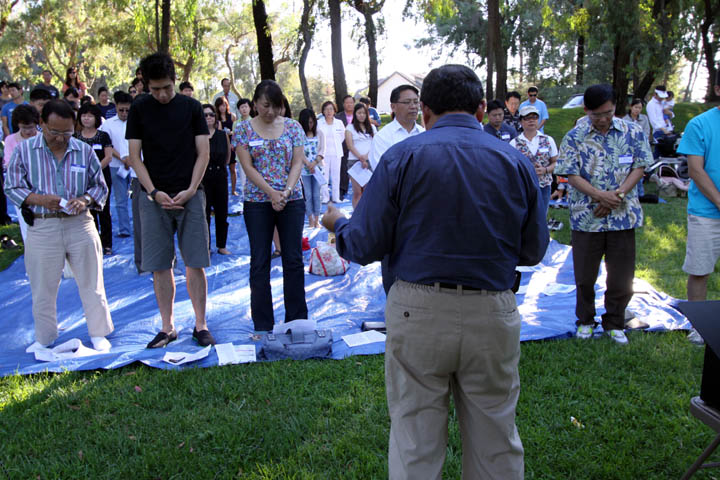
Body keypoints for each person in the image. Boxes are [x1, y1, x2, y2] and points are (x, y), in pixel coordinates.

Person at [322, 64, 548, 479]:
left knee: (415, 443)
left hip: (417, 310)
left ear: (424, 111)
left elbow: (365, 243)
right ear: (481, 109)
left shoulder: (402, 157)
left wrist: (339, 224)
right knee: (496, 441)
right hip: (491, 310)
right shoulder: (514, 161)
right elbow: (534, 250)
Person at [4, 99, 113, 352]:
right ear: (42, 124)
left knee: (92, 283)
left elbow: (99, 186)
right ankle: (45, 337)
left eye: (67, 133)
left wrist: (84, 200)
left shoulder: (83, 150)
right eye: (54, 132)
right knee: (42, 287)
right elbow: (12, 186)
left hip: (80, 224)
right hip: (43, 225)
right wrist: (38, 199)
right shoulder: (24, 151)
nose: (61, 138)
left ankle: (99, 333)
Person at [126, 52, 216, 348]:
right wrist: (153, 192)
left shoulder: (191, 107)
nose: (162, 94)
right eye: (155, 89)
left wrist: (191, 189)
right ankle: (167, 327)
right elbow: (135, 157)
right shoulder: (139, 108)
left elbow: (203, 153)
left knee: (195, 262)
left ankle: (200, 324)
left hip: (190, 195)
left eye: (166, 87)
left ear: (174, 80)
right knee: (160, 266)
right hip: (154, 198)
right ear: (145, 85)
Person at [555, 84, 652, 345]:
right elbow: (569, 173)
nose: (603, 119)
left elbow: (640, 166)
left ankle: (615, 322)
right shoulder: (574, 137)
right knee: (585, 275)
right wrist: (599, 196)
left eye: (608, 113)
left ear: (614, 108)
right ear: (586, 110)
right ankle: (586, 320)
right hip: (587, 217)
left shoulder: (632, 131)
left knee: (622, 275)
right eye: (597, 114)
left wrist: (616, 196)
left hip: (623, 215)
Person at [232, 79, 307, 333]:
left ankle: (297, 321)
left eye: (275, 106)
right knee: (260, 261)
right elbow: (247, 167)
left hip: (291, 200)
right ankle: (263, 325)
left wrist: (286, 191)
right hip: (257, 202)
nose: (271, 111)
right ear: (255, 104)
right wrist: (271, 193)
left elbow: (297, 163)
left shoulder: (293, 127)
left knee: (293, 259)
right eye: (265, 105)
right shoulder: (243, 130)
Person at [369, 84, 425, 295]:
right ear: (393, 106)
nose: (413, 107)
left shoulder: (424, 134)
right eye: (407, 102)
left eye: (416, 102)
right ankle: (393, 303)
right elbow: (384, 176)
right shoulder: (384, 137)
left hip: (422, 210)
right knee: (392, 264)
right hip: (394, 212)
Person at [677, 70, 720, 346]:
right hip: (706, 213)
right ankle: (698, 326)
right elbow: (695, 170)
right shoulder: (699, 124)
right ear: (717, 89)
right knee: (700, 269)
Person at [74, 103, 114, 255]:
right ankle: (93, 242)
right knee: (88, 212)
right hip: (82, 179)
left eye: (90, 116)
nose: (86, 119)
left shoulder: (103, 136)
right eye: (84, 115)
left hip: (102, 178)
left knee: (104, 210)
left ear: (96, 118)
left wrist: (94, 171)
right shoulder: (75, 137)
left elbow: (108, 157)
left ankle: (107, 244)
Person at [510, 104, 558, 227]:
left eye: (534, 117)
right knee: (525, 219)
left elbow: (556, 162)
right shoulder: (514, 143)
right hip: (523, 188)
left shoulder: (548, 140)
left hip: (544, 187)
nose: (531, 120)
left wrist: (545, 170)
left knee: (541, 219)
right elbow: (511, 168)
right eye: (527, 118)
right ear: (521, 121)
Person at [99, 91, 133, 239]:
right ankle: (124, 229)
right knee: (120, 199)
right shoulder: (108, 124)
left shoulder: (137, 122)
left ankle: (140, 227)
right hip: (116, 165)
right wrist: (123, 158)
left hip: (135, 165)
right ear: (116, 107)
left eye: (127, 110)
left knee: (139, 199)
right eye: (121, 110)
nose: (124, 113)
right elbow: (108, 145)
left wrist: (131, 159)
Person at [2, 105, 42, 229]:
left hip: (42, 186)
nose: (28, 131)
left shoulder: (43, 138)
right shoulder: (10, 140)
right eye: (24, 127)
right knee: (26, 224)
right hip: (21, 187)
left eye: (31, 127)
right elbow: (9, 163)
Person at [201, 103, 232, 255]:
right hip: (204, 178)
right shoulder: (198, 136)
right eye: (205, 115)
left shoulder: (222, 135)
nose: (209, 117)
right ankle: (206, 247)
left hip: (220, 177)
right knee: (204, 213)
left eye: (211, 114)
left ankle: (221, 245)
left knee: (222, 212)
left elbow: (228, 156)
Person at [345, 102, 376, 208]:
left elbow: (375, 144)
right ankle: (356, 214)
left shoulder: (372, 127)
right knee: (357, 192)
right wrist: (361, 158)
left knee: (368, 191)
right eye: (359, 113)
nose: (361, 115)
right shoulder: (350, 127)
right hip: (354, 162)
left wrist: (366, 158)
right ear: (355, 114)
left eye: (363, 113)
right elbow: (350, 145)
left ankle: (367, 214)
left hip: (369, 161)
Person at [298, 108, 324, 228]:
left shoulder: (319, 133)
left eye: (312, 122)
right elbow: (299, 151)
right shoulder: (300, 135)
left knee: (316, 195)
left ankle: (317, 219)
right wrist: (308, 163)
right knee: (307, 195)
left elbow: (322, 150)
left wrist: (315, 162)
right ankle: (310, 219)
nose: (310, 125)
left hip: (317, 169)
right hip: (305, 169)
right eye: (307, 122)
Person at [317, 101, 345, 203]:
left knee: (336, 176)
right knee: (324, 176)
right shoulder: (319, 123)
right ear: (323, 111)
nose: (329, 111)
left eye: (331, 109)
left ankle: (336, 197)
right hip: (323, 154)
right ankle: (325, 197)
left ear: (334, 111)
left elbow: (342, 136)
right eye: (326, 109)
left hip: (336, 153)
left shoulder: (339, 123)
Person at [215, 96, 238, 195]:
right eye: (220, 105)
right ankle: (221, 190)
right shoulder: (216, 118)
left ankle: (233, 190)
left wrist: (231, 133)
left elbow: (236, 130)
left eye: (224, 105)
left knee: (233, 169)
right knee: (222, 170)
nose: (222, 107)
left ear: (226, 105)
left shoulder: (232, 116)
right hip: (222, 146)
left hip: (232, 145)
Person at [334, 95, 354, 200]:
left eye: (351, 102)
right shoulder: (338, 117)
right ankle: (342, 189)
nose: (349, 104)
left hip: (357, 147)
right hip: (343, 147)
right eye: (347, 102)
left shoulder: (359, 114)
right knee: (343, 169)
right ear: (343, 104)